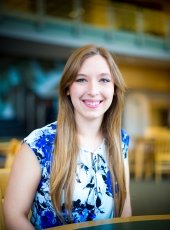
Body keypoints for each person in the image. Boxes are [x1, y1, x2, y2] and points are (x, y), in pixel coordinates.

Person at [4, 44, 132, 229]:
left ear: (114, 88)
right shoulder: (37, 145)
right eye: (81, 80)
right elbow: (13, 215)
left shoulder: (120, 140)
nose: (93, 90)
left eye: (104, 80)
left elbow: (124, 211)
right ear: (67, 88)